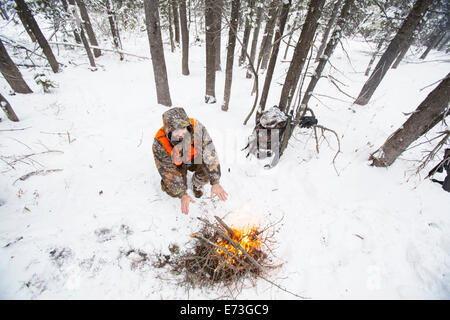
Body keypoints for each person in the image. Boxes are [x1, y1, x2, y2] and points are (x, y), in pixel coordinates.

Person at [153, 107, 228, 214]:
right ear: (168, 130)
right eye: (175, 131)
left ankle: (196, 184)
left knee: (207, 174)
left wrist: (215, 181)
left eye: (183, 128)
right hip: (175, 165)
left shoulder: (197, 128)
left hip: (194, 158)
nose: (180, 134)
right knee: (171, 189)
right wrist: (182, 194)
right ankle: (182, 188)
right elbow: (167, 171)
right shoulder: (159, 143)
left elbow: (209, 152)